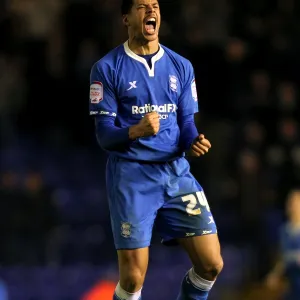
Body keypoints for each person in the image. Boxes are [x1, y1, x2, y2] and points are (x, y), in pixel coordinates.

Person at [89, 1, 223, 299]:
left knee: (211, 264)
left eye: (156, 6)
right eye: (141, 6)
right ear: (126, 18)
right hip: (132, 177)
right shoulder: (107, 68)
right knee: (133, 279)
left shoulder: (181, 66)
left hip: (175, 174)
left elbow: (186, 122)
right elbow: (104, 136)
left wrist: (192, 141)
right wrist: (137, 130)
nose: (151, 11)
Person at [265, 189, 300, 300]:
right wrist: (274, 274)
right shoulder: (284, 230)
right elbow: (282, 258)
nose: (292, 206)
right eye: (290, 202)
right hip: (292, 284)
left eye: (296, 202)